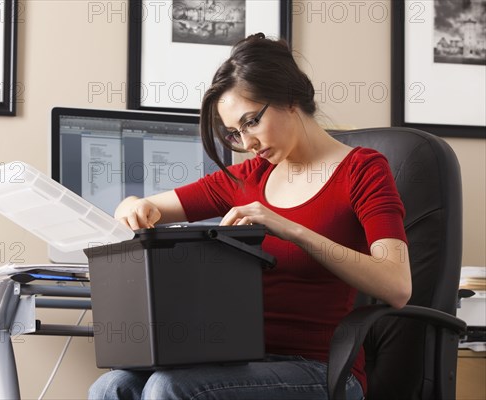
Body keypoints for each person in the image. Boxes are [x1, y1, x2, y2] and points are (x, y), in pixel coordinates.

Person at [88, 33, 411, 400]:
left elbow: (397, 286)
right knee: (112, 387)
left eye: (251, 122)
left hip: (322, 369)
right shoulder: (248, 177)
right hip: (240, 361)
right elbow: (151, 208)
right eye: (235, 133)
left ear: (289, 98)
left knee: (169, 389)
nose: (247, 143)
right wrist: (131, 204)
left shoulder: (362, 170)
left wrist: (290, 229)